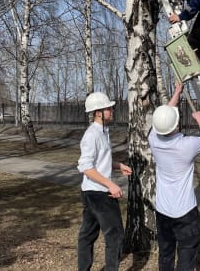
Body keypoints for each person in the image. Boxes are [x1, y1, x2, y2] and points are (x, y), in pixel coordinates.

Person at [148, 82, 200, 271]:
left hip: (162, 210)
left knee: (166, 252)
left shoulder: (153, 139)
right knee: (187, 253)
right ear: (176, 124)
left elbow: (165, 115)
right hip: (185, 212)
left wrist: (177, 91)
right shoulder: (187, 145)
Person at [77, 92, 132, 271]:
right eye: (108, 108)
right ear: (98, 112)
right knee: (115, 236)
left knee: (87, 236)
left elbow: (99, 162)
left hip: (91, 192)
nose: (111, 110)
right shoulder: (92, 135)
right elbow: (85, 166)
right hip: (99, 194)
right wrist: (110, 184)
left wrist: (118, 165)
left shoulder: (103, 131)